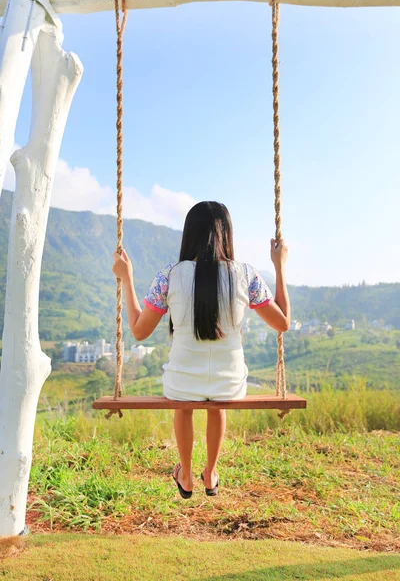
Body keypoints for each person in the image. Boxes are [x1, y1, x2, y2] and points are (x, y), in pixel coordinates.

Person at [112, 201, 290, 499]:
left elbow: (139, 331)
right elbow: (282, 322)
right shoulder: (246, 275)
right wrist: (279, 266)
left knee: (184, 404)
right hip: (230, 383)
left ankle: (185, 473)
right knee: (217, 402)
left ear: (189, 235)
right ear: (227, 235)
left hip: (181, 383)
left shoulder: (169, 276)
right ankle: (210, 472)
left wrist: (126, 278)